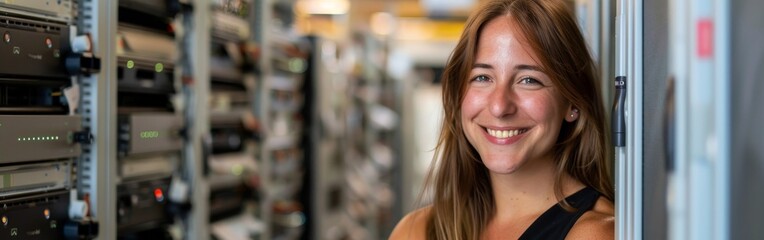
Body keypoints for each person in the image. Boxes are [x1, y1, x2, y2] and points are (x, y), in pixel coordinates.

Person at [389, 0, 614, 239]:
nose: (499, 106)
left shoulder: (595, 233)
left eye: (529, 80)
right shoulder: (416, 230)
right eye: (482, 77)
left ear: (573, 102)